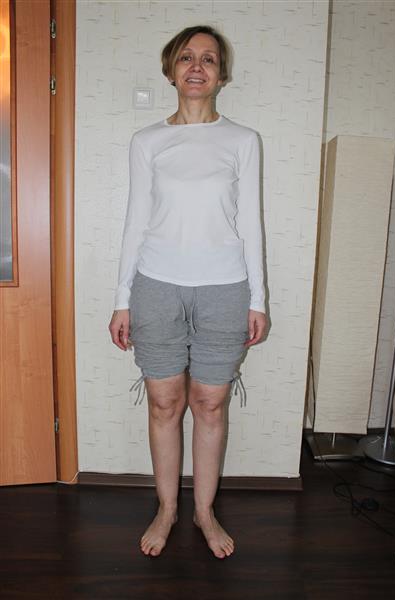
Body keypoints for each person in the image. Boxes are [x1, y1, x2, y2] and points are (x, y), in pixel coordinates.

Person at [109, 24, 268, 559]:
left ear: (221, 76)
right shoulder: (147, 141)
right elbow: (135, 221)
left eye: (208, 59)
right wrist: (122, 298)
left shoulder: (243, 141)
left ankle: (203, 511)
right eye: (186, 58)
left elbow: (251, 224)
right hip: (156, 285)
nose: (196, 67)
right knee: (164, 402)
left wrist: (258, 299)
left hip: (225, 287)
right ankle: (166, 508)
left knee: (210, 402)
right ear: (171, 70)